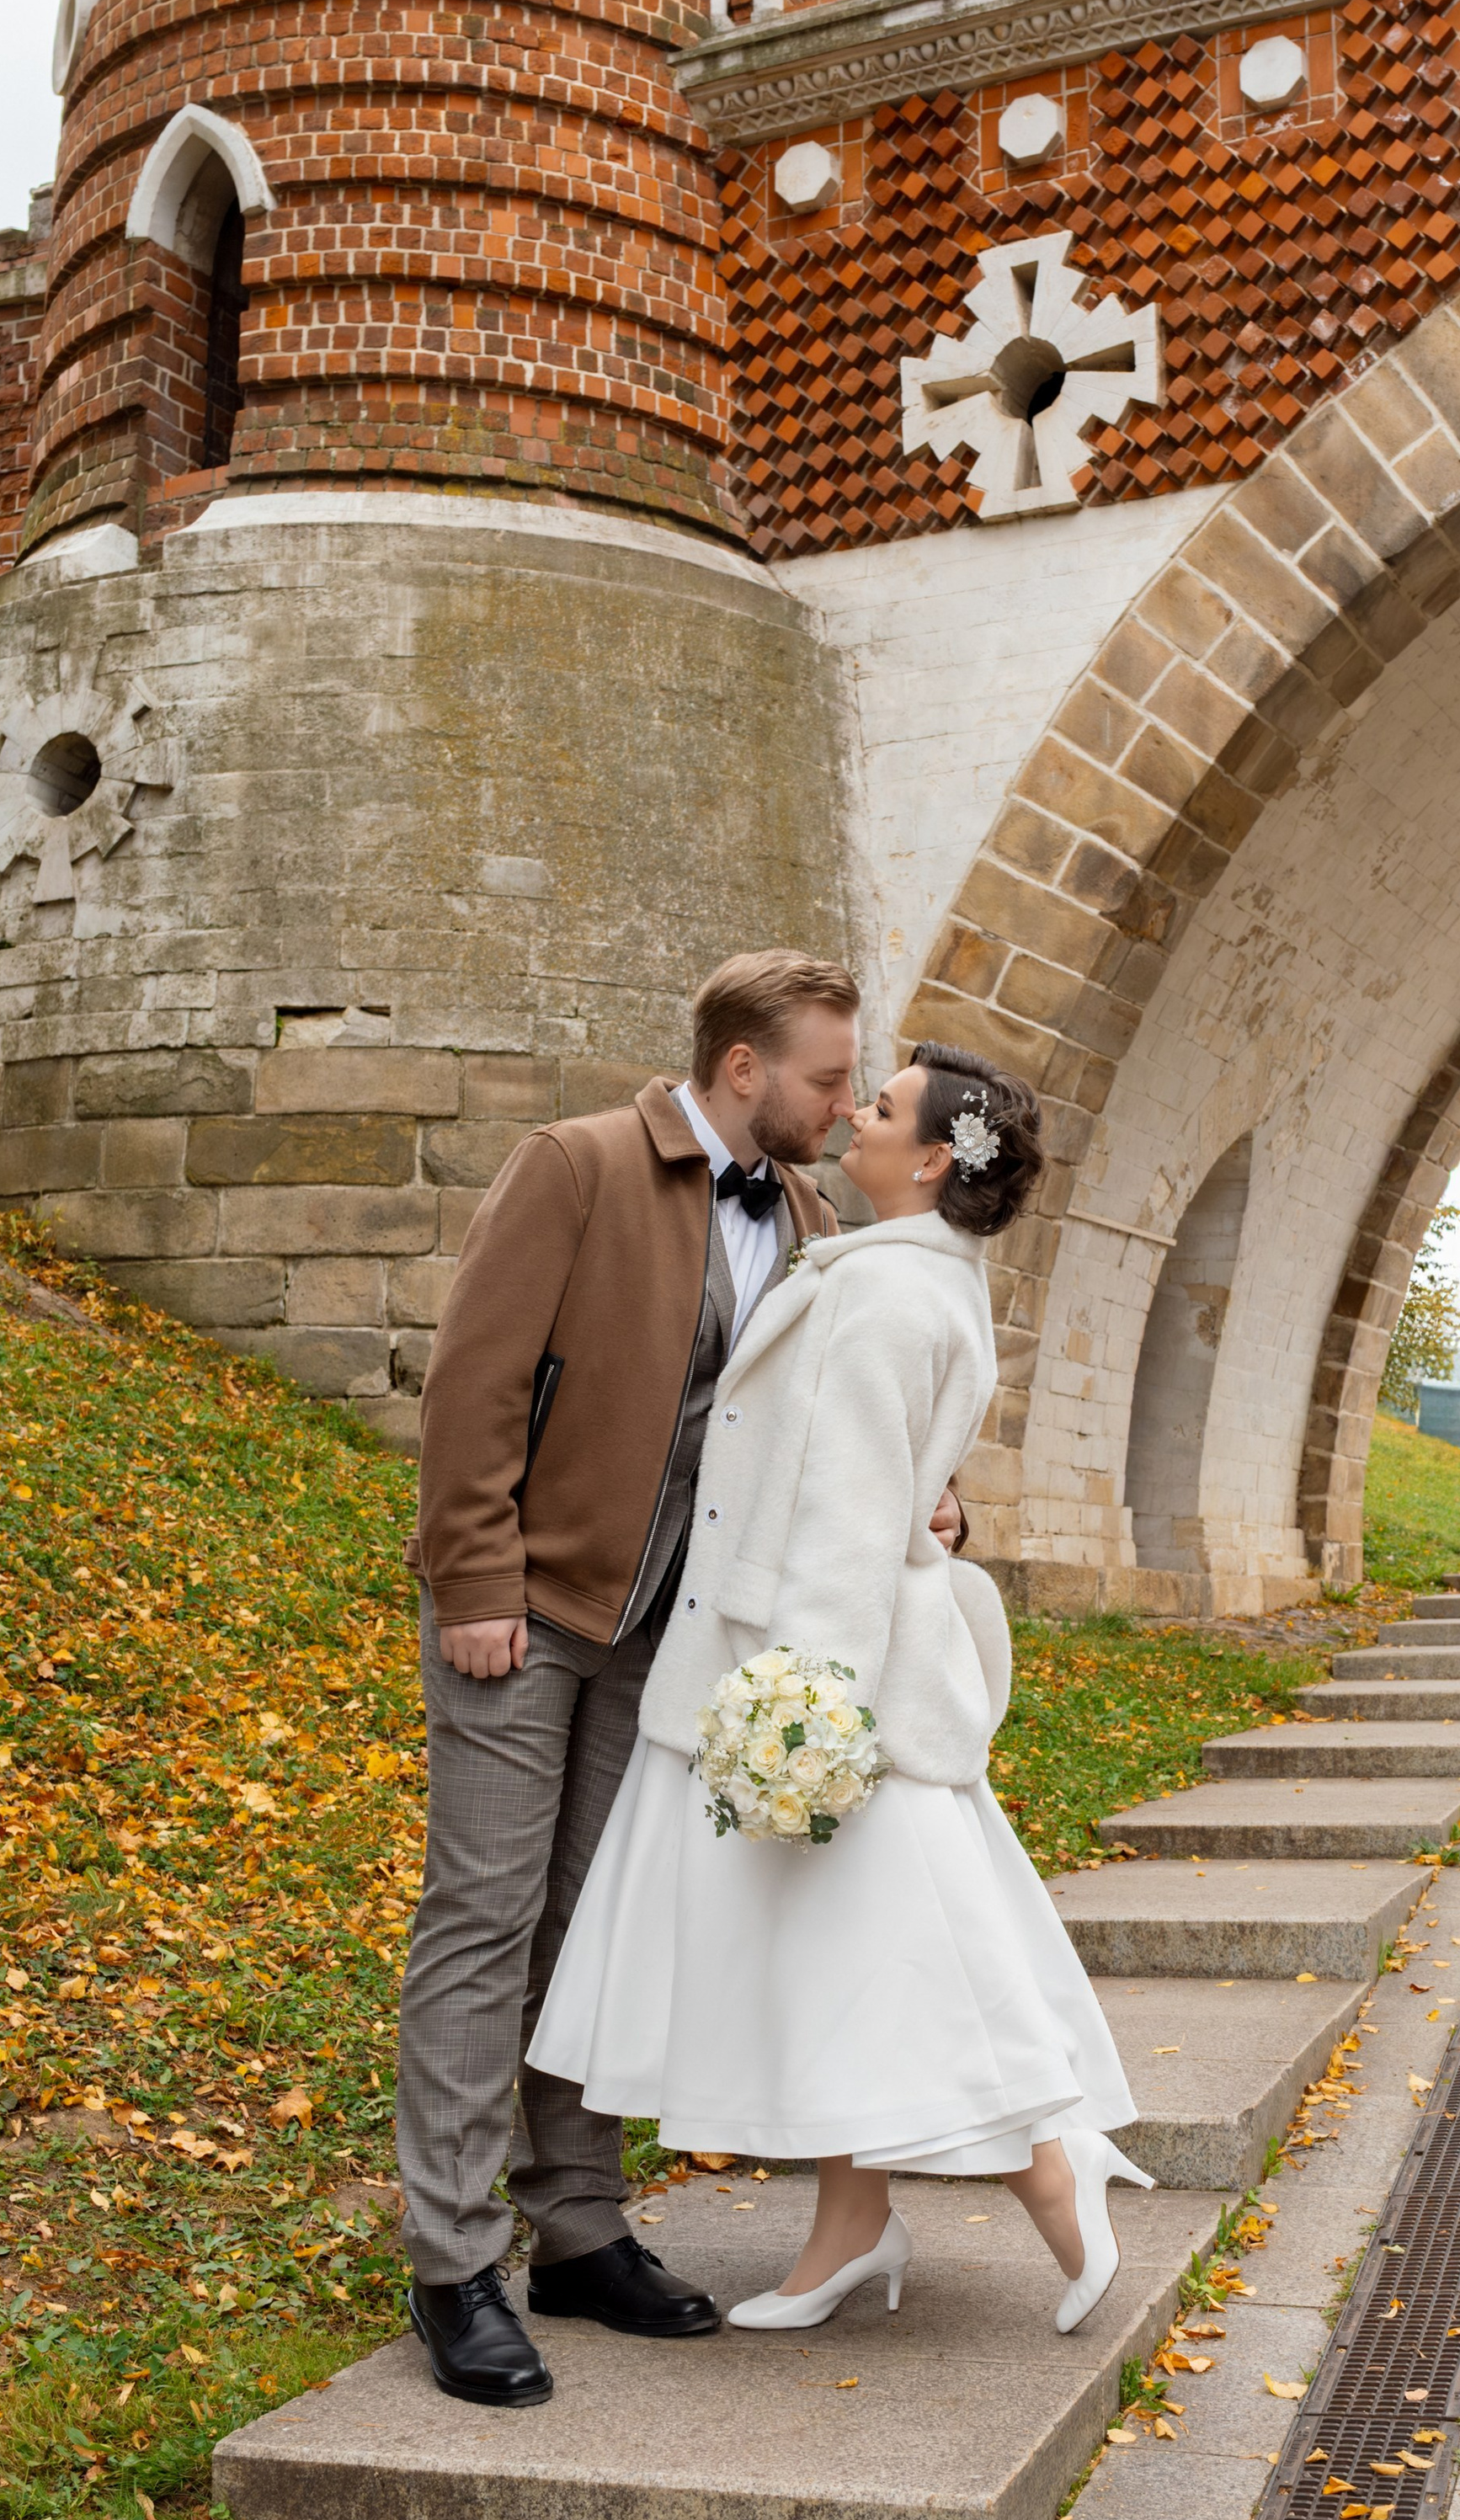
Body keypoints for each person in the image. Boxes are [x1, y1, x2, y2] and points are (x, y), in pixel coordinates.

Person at [530, 1042, 1148, 2335]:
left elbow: (855, 1515)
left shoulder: (887, 1297)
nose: (853, 1116)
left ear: (930, 1158)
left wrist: (805, 1710)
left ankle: (1050, 2168)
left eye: (878, 1107)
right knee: (836, 1954)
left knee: (896, 1952)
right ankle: (853, 2225)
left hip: (819, 1670)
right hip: (816, 1656)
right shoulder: (908, 1277)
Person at [397, 950, 861, 2407]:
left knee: (595, 1923)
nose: (845, 1108)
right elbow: (472, 1384)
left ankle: (578, 2229)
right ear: (743, 1070)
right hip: (526, 1610)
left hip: (669, 1631)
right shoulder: (576, 1167)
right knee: (486, 1916)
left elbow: (823, 1403)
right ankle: (453, 2257)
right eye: (827, 1079)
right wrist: (475, 1581)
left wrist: (938, 1497)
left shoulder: (805, 1214)